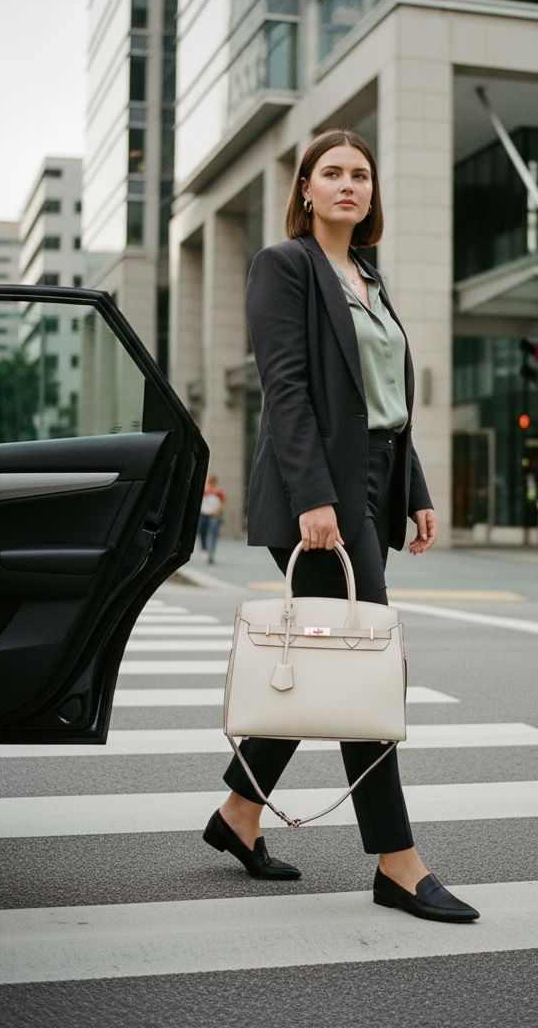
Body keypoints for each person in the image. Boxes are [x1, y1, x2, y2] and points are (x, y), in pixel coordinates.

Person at [203, 128, 478, 924]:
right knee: (366, 670)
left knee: (329, 665)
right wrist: (314, 498)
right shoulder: (284, 266)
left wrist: (416, 488)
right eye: (333, 173)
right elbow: (285, 388)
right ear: (307, 191)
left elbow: (385, 402)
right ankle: (398, 863)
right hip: (318, 492)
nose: (349, 184)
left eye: (361, 173)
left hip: (374, 480)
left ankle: (238, 817)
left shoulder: (370, 277)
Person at [198, 474, 226, 563]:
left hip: (215, 516)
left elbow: (223, 504)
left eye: (212, 482)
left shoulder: (219, 493)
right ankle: (204, 548)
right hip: (204, 515)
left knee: (212, 533)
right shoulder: (204, 492)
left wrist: (218, 511)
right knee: (203, 532)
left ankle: (211, 553)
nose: (210, 484)